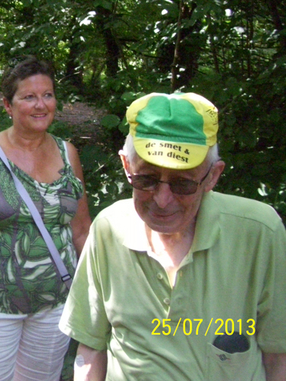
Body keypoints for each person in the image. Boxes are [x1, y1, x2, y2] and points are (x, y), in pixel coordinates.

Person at [59, 92, 286, 381]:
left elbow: (278, 354)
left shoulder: (259, 232)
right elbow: (91, 348)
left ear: (213, 177)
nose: (163, 200)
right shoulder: (109, 229)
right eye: (147, 180)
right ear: (127, 167)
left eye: (183, 184)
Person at [0, 56, 91, 381]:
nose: (41, 105)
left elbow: (81, 230)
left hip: (54, 304)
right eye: (29, 97)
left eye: (48, 95)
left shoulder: (69, 154)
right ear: (8, 106)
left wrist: (93, 294)